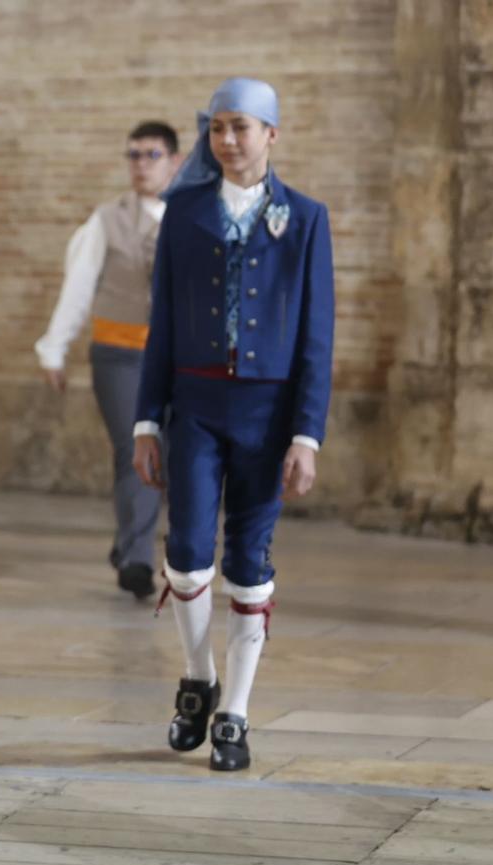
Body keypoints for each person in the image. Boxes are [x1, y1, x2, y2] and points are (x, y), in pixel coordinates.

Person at [136, 78, 332, 772]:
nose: (228, 140)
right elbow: (160, 324)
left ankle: (236, 713)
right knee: (187, 551)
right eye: (218, 127)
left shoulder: (306, 219)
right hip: (194, 405)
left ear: (271, 135)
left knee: (250, 561)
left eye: (241, 127)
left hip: (269, 414)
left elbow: (316, 335)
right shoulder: (183, 211)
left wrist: (308, 434)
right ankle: (198, 675)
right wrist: (144, 421)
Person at [35, 121, 183, 601]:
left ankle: (134, 541)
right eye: (134, 155)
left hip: (180, 359)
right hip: (120, 355)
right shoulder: (107, 220)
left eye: (152, 155)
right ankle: (138, 557)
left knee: (177, 454)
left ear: (174, 161)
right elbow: (78, 287)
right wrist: (54, 347)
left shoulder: (192, 216)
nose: (141, 165)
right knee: (136, 448)